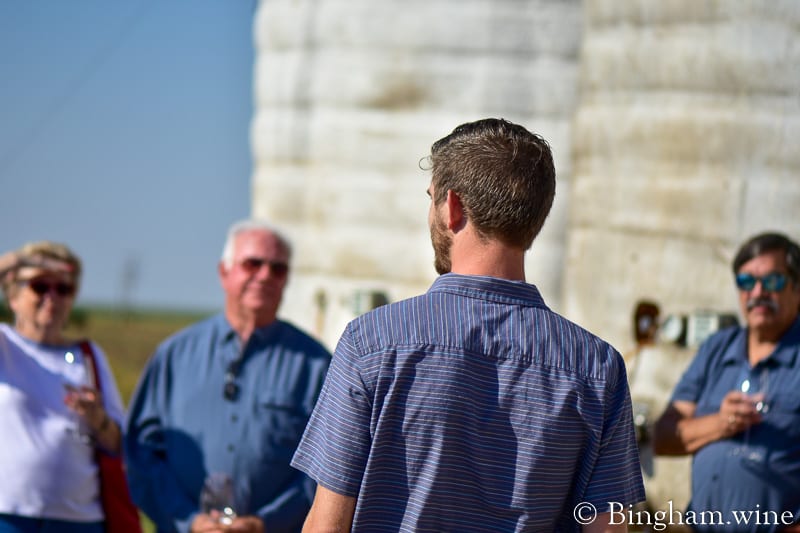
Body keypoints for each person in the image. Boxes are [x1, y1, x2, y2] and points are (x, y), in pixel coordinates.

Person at [290, 118, 645, 532]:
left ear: (453, 206)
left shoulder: (371, 343)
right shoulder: (597, 367)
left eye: (431, 199)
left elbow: (327, 524)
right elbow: (607, 528)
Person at [125, 220, 331, 533]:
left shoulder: (316, 364)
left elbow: (330, 465)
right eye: (252, 264)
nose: (265, 275)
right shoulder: (174, 355)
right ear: (224, 272)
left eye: (278, 269)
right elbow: (141, 453)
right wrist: (188, 519)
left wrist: (267, 522)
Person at [653, 232, 800, 532]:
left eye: (772, 281)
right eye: (746, 282)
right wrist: (721, 423)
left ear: (797, 286)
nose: (757, 292)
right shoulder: (716, 349)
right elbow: (664, 437)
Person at [0, 241, 126, 533]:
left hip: (78, 519)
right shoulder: (6, 345)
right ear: (13, 296)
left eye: (63, 289)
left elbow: (118, 442)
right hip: (10, 514)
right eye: (40, 286)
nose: (52, 298)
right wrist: (16, 262)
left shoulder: (88, 356)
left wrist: (97, 418)